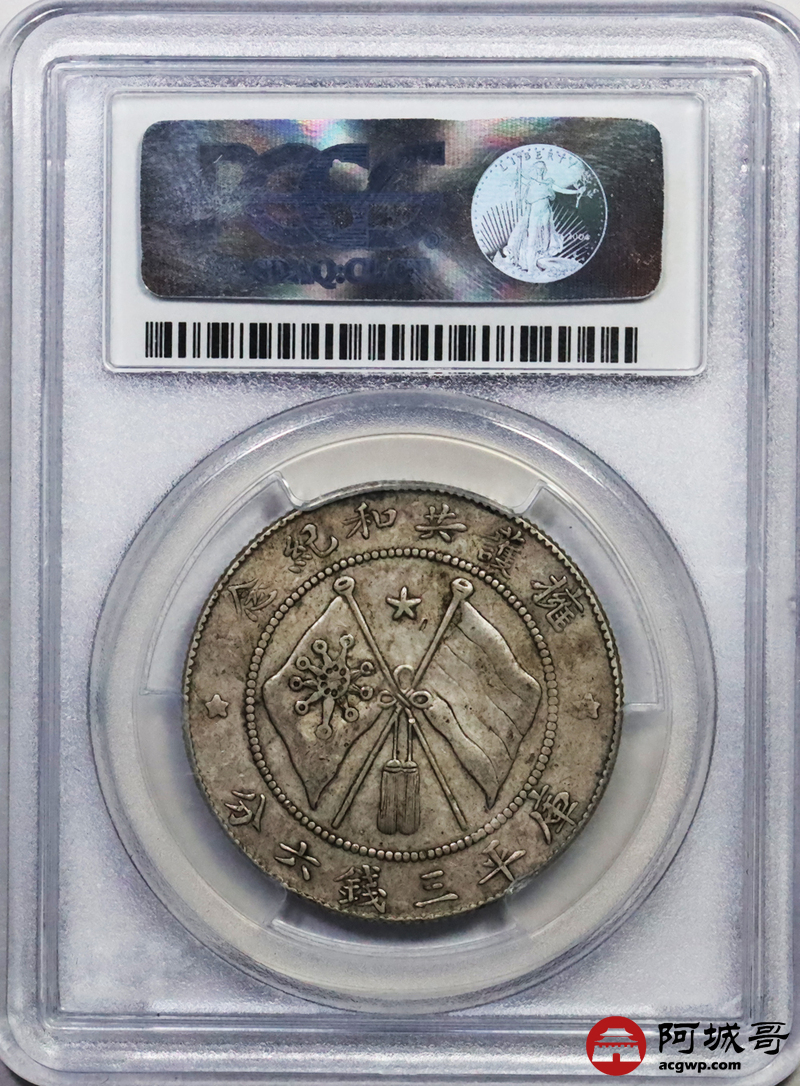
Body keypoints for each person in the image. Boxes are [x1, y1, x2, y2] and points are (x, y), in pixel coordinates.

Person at [502, 160, 583, 273]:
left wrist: (577, 191)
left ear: (544, 170)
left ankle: (540, 260)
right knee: (532, 238)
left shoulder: (548, 183)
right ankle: (530, 266)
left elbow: (561, 190)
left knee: (545, 238)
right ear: (534, 170)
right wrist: (517, 172)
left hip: (546, 213)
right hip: (534, 213)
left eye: (542, 169)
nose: (540, 171)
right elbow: (518, 178)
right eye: (538, 168)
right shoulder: (530, 182)